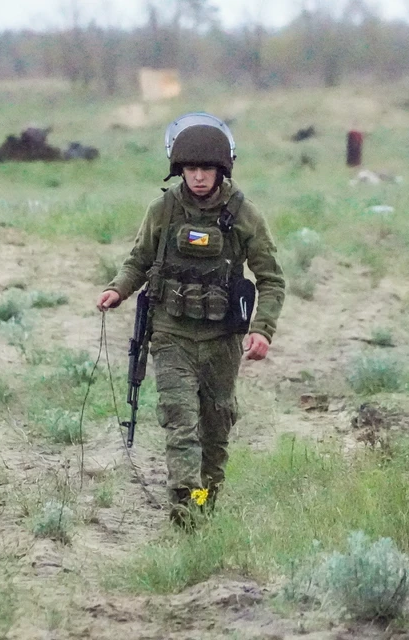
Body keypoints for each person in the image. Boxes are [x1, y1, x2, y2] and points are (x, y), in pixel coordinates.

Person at [95, 112, 286, 527]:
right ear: (179, 169)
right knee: (181, 425)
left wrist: (262, 330)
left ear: (222, 170)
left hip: (222, 342)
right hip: (171, 336)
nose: (199, 177)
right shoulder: (163, 210)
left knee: (214, 435)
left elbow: (271, 279)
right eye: (191, 169)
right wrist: (117, 289)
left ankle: (204, 501)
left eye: (207, 169)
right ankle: (184, 509)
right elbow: (139, 261)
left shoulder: (244, 215)